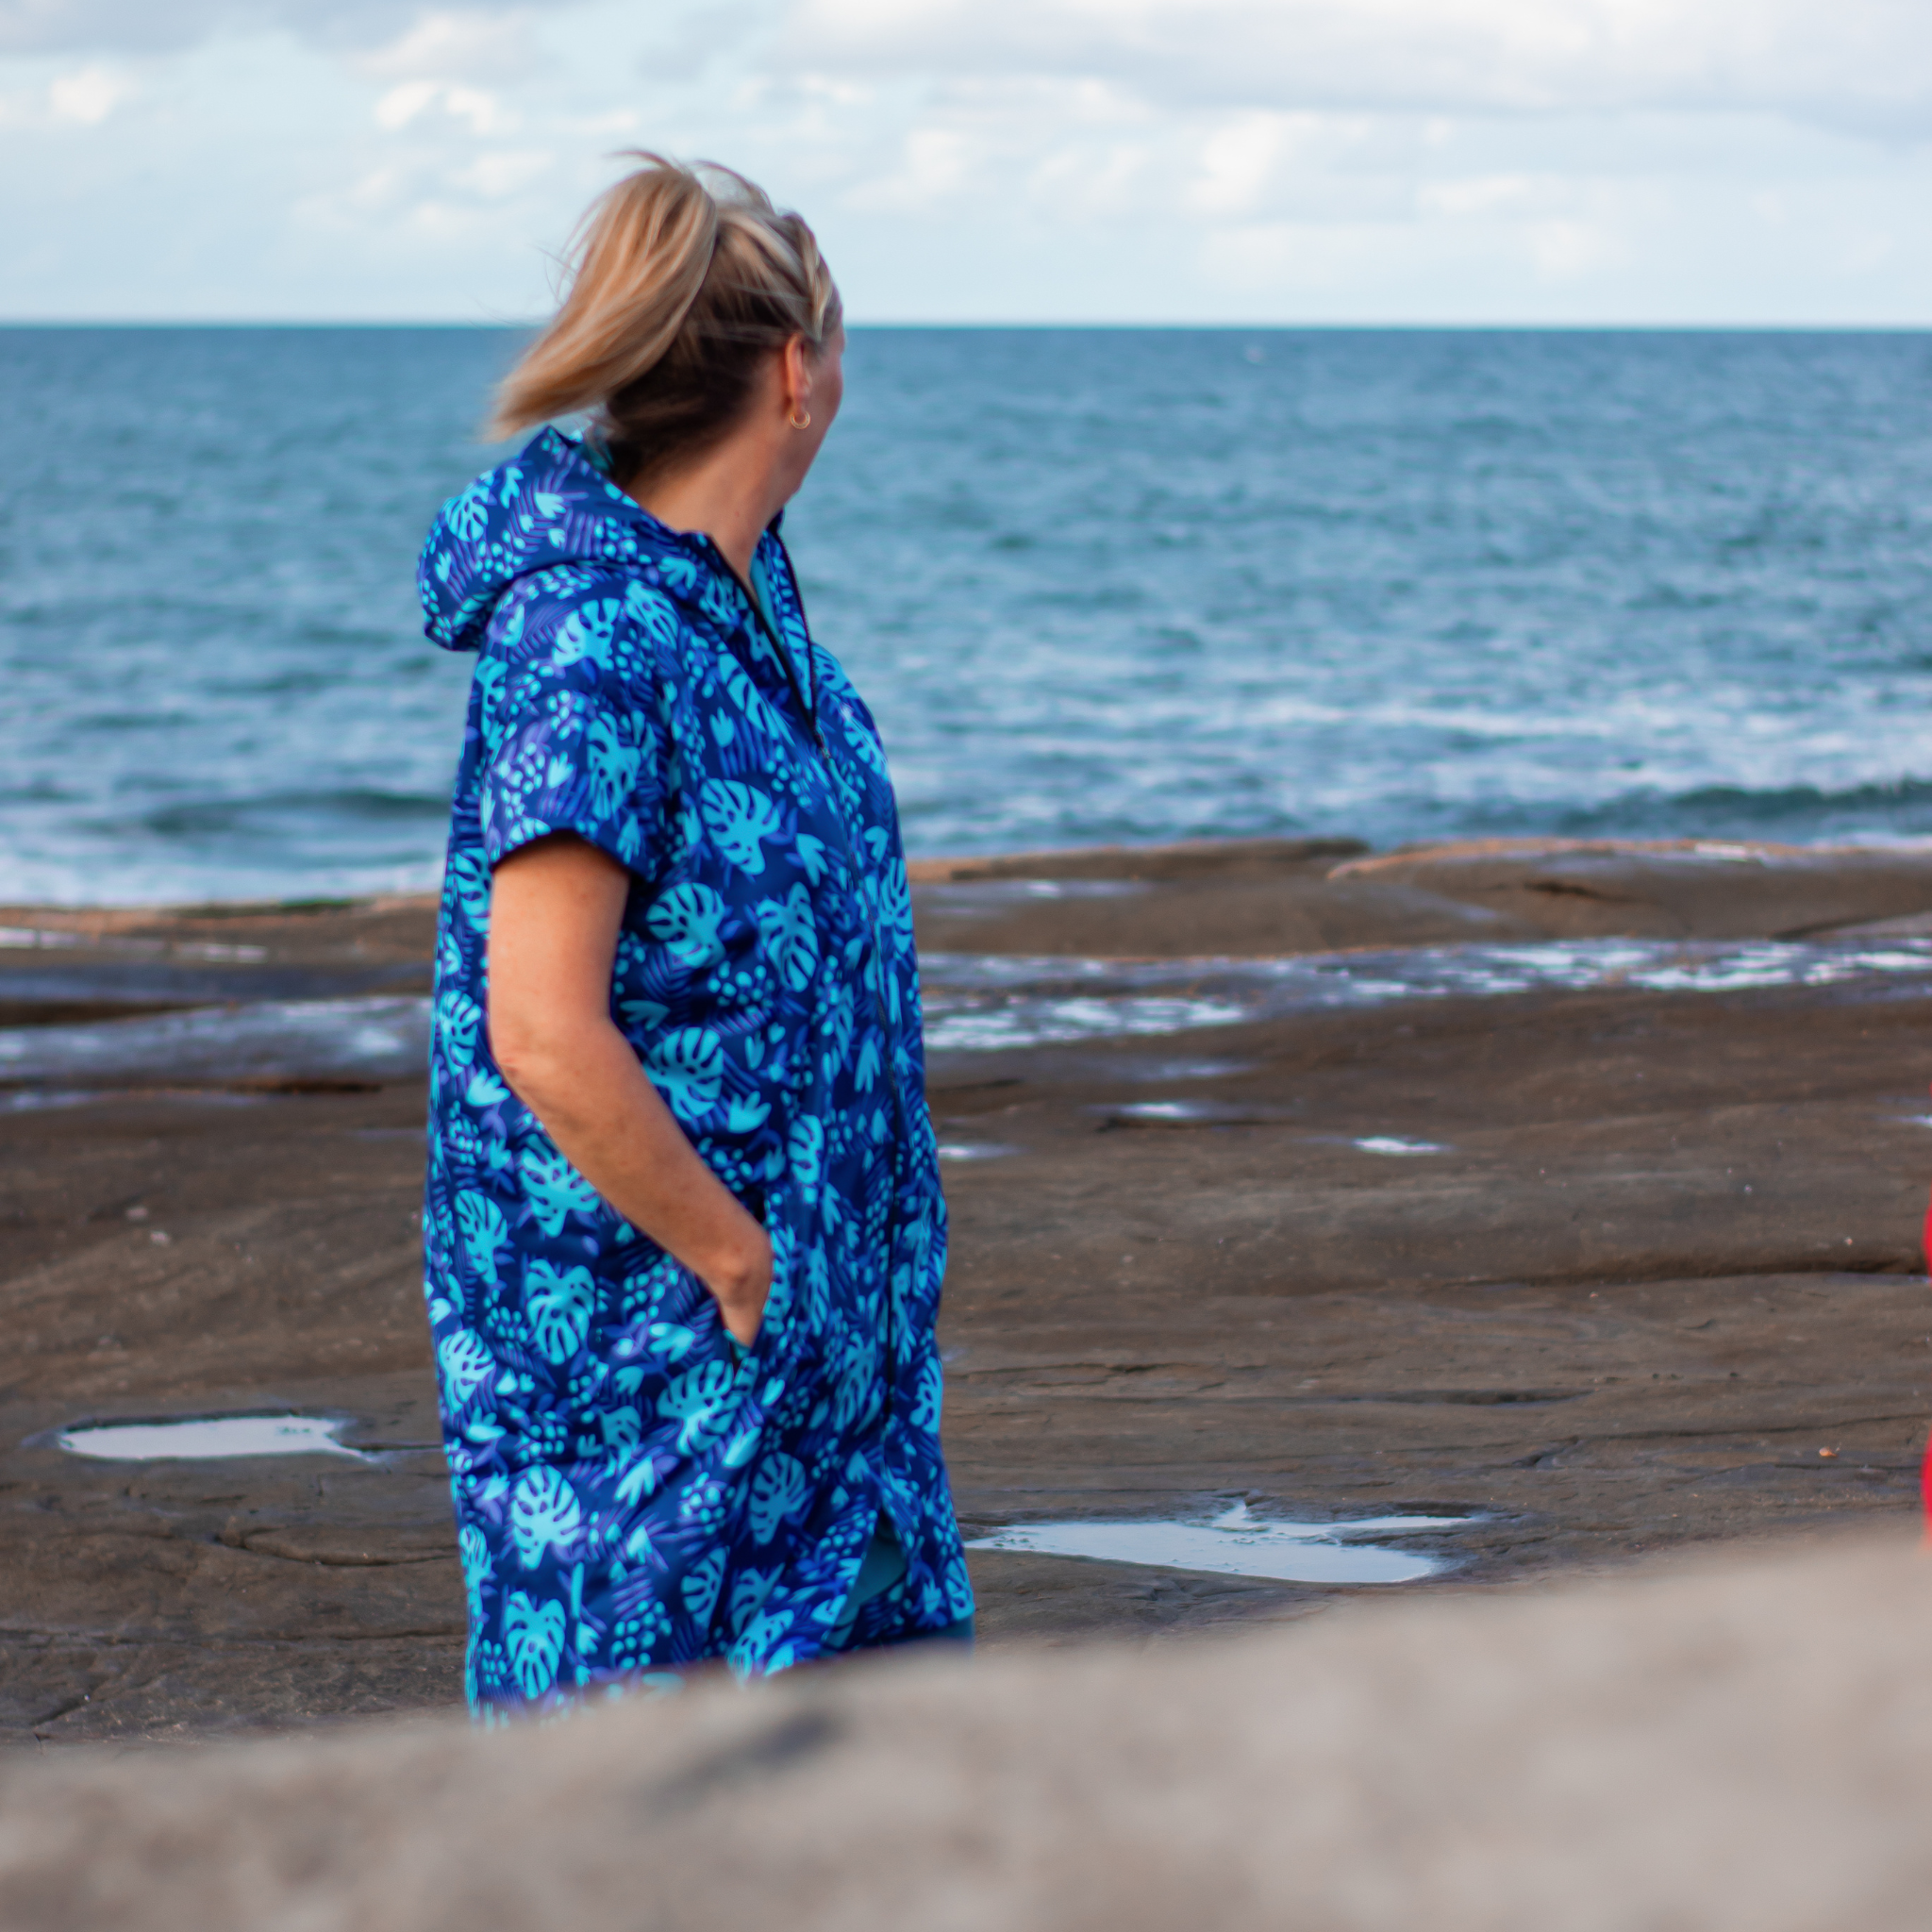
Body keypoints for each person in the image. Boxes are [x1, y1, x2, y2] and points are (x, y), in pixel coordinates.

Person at [416, 155, 974, 1718]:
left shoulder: (748, 615)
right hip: (647, 1387)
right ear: (797, 372)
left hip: (825, 1391)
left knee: (871, 1800)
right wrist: (742, 1265)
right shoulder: (590, 635)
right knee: (637, 1811)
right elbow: (540, 1026)